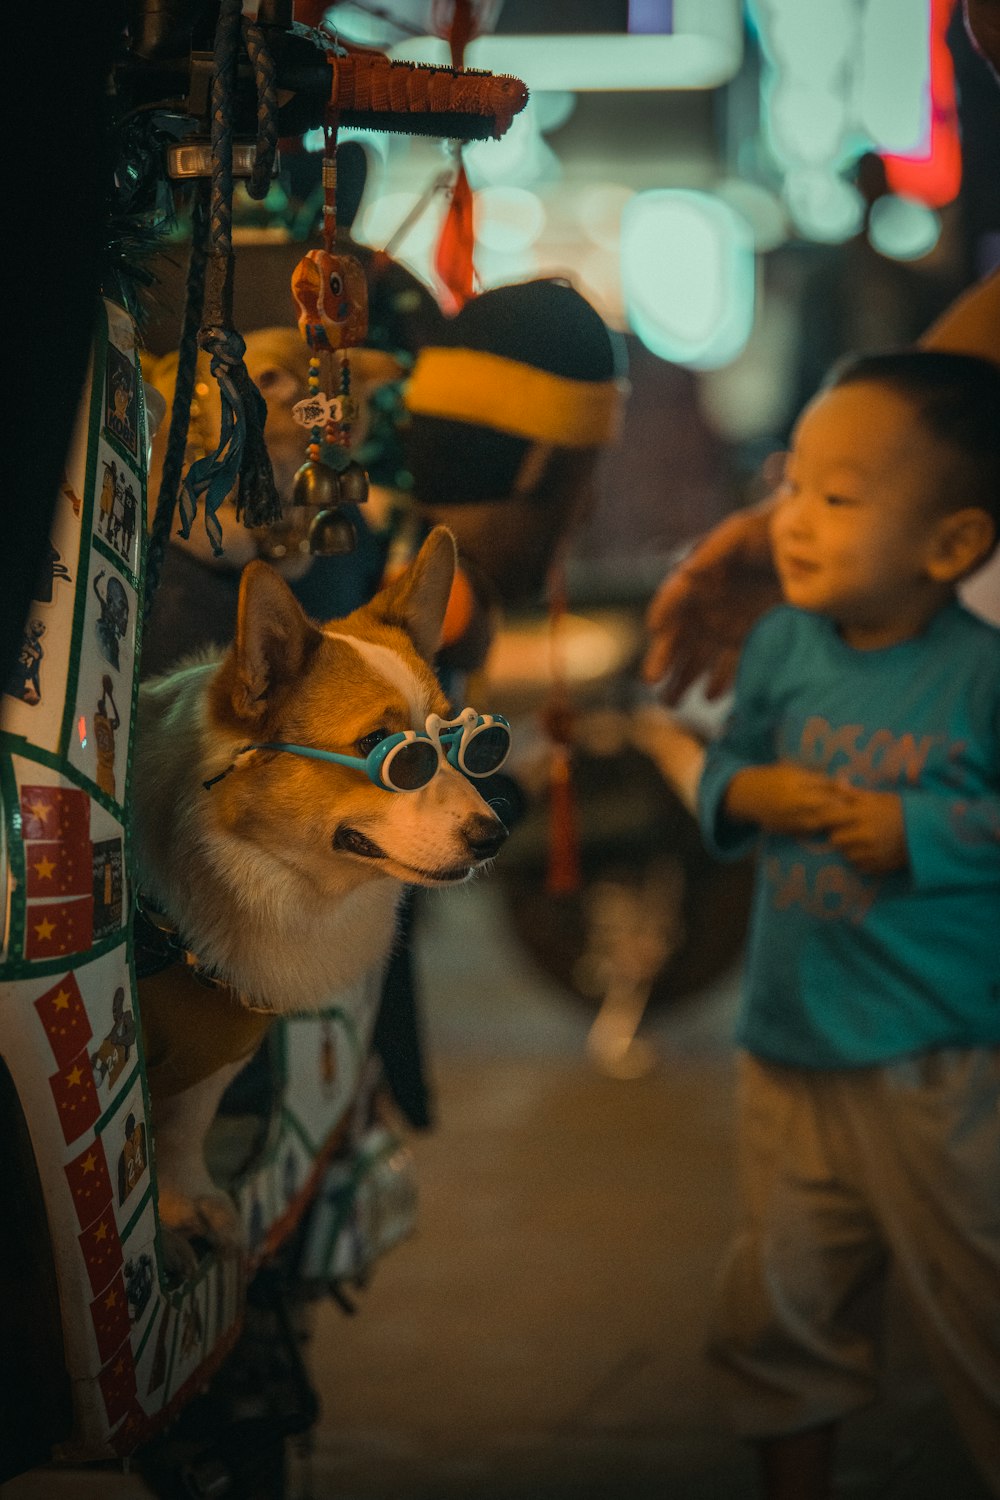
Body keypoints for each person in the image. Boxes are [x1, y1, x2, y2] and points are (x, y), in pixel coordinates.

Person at [636, 347, 1000, 1500]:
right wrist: (743, 793)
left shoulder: (980, 678)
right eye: (789, 483)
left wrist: (921, 834)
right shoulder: (786, 645)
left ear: (949, 546)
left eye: (836, 501)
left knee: (980, 1313)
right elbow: (725, 767)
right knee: (779, 1318)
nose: (788, 521)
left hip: (941, 1070)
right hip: (787, 1054)